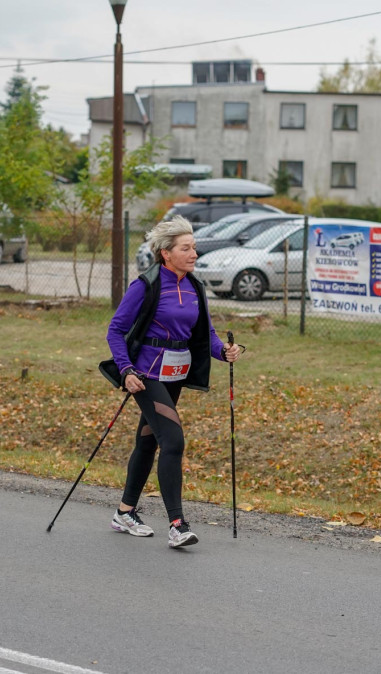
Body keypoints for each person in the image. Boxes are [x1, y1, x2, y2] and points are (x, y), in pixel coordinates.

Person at [102, 216, 242, 549]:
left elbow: (204, 334)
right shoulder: (146, 285)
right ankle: (178, 525)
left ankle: (124, 512)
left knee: (148, 442)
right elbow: (115, 330)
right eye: (186, 248)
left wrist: (224, 350)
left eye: (194, 247)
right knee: (174, 441)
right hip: (147, 375)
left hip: (176, 374)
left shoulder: (195, 286)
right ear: (166, 253)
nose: (194, 253)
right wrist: (126, 370)